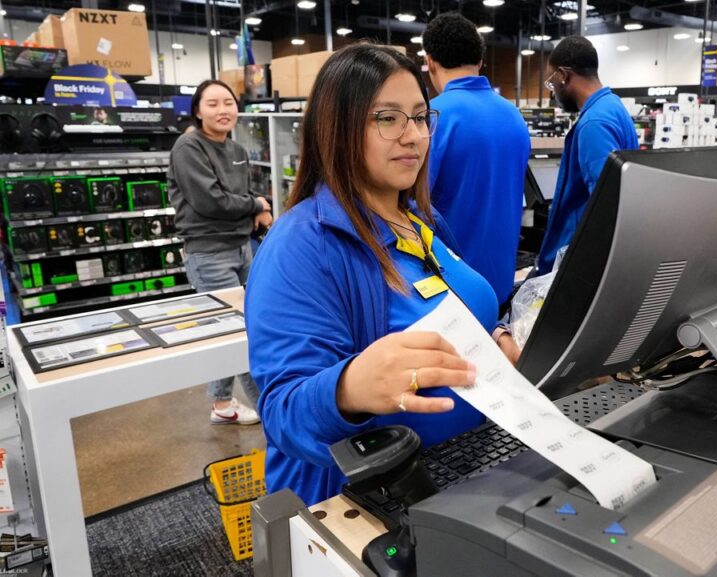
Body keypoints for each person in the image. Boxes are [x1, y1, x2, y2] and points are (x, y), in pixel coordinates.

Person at [244, 44, 520, 506]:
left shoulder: (419, 220)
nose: (412, 135)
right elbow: (282, 412)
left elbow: (446, 309)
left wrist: (495, 336)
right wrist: (349, 386)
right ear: (340, 128)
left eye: (419, 117)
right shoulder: (302, 245)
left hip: (459, 472)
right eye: (387, 118)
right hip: (368, 500)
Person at [167, 79, 273, 426]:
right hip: (208, 251)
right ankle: (270, 412)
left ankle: (222, 403)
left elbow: (241, 192)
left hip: (242, 246)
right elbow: (209, 201)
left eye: (228, 102)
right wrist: (256, 203)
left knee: (243, 326)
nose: (223, 110)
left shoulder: (237, 151)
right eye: (212, 104)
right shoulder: (188, 147)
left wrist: (256, 207)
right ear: (197, 111)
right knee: (240, 332)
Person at [422, 12, 530, 304]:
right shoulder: (514, 117)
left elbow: (411, 208)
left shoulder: (432, 118)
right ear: (480, 61)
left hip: (450, 293)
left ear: (429, 61)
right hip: (500, 289)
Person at [535, 35, 639, 275]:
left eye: (552, 83)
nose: (554, 92)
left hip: (578, 261)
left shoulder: (594, 123)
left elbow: (605, 206)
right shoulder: (613, 107)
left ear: (563, 75)